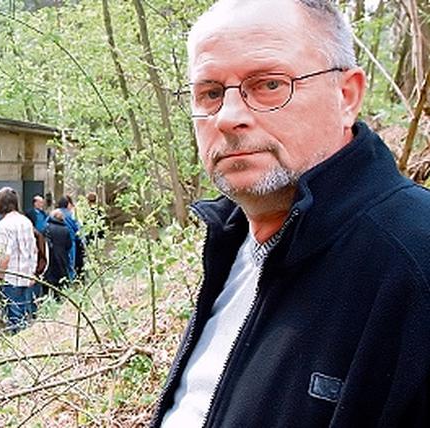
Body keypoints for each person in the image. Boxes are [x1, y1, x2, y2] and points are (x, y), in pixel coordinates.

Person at [154, 1, 430, 426]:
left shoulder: (416, 259)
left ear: (347, 95)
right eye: (210, 93)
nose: (227, 117)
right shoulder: (234, 241)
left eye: (268, 85)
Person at [0, 187, 37, 333]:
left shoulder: (3, 225)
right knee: (23, 315)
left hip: (10, 278)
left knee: (14, 319)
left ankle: (17, 349)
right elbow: (33, 249)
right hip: (26, 276)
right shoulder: (26, 221)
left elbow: (4, 255)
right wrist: (33, 272)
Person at [40, 209, 72, 300]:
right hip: (61, 259)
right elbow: (69, 245)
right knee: (59, 282)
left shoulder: (46, 228)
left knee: (46, 282)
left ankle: (45, 300)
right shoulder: (65, 230)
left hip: (48, 258)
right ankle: (57, 300)